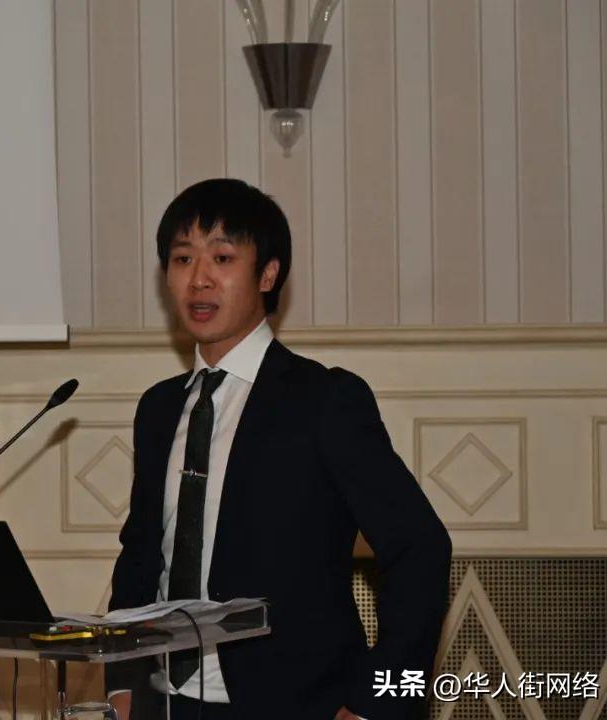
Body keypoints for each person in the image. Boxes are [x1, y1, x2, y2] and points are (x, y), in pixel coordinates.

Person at [105, 179, 452, 720]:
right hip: (164, 702)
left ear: (267, 274)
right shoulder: (159, 409)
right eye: (182, 259)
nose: (199, 279)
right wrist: (122, 684)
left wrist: (378, 705)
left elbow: (421, 548)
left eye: (222, 258)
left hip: (295, 704)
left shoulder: (325, 400)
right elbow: (141, 557)